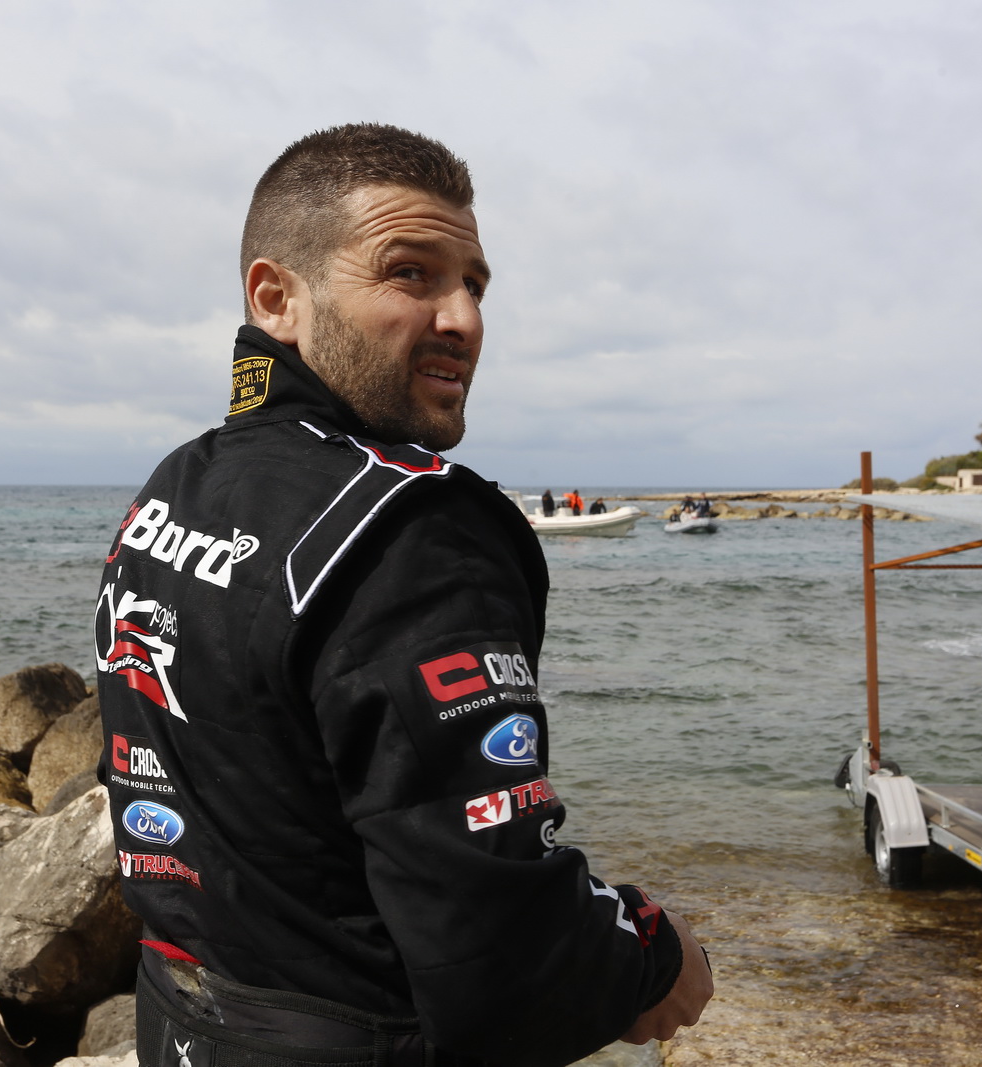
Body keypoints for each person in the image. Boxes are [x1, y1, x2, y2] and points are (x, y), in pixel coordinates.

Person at [97, 124, 712, 1067]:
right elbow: (495, 942)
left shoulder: (175, 485)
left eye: (474, 284)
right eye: (410, 273)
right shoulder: (413, 528)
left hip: (182, 1019)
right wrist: (650, 953)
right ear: (277, 298)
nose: (462, 318)